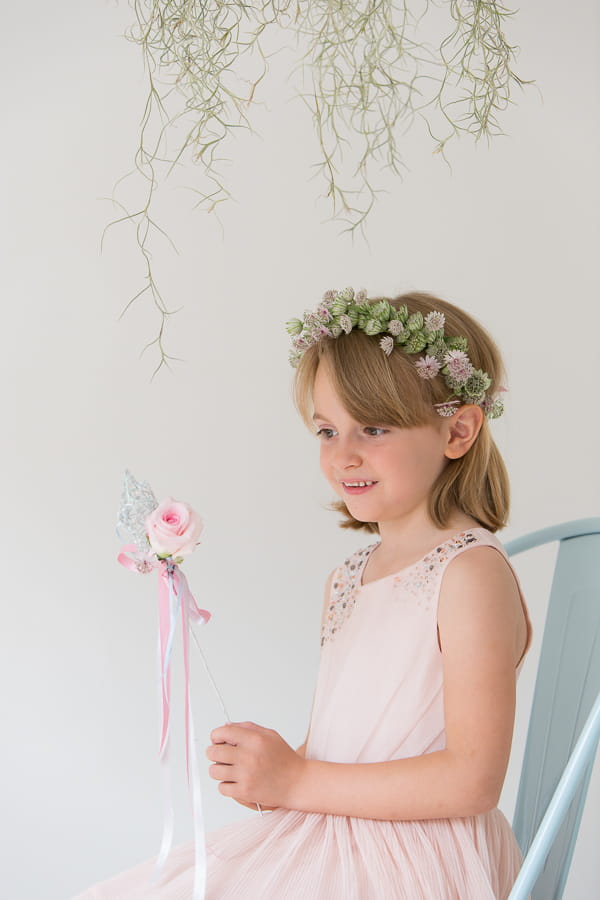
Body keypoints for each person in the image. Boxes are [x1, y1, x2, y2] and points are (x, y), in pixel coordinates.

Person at [77, 289, 531, 899]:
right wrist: (276, 771)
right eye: (326, 430)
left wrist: (296, 781)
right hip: (348, 833)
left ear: (458, 430)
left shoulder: (470, 573)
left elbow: (472, 780)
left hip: (419, 853)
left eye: (373, 427)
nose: (344, 454)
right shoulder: (347, 577)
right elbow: (346, 749)